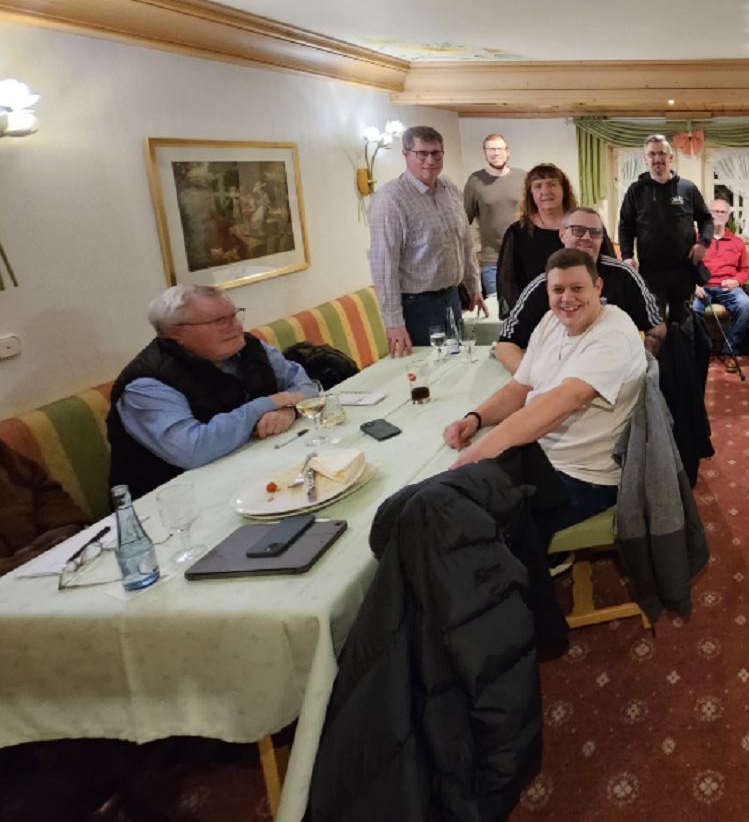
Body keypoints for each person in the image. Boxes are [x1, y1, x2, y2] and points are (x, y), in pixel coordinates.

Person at [444, 248, 646, 533]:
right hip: (539, 458)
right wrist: (475, 419)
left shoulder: (614, 333)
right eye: (558, 289)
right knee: (441, 502)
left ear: (598, 287)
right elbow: (519, 387)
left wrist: (473, 457)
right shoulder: (551, 321)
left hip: (583, 477)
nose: (567, 298)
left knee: (464, 523)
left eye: (577, 288)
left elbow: (562, 403)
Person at [107, 285, 317, 498]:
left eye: (234, 316)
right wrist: (270, 402)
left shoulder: (248, 348)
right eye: (219, 322)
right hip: (175, 501)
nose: (234, 327)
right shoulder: (147, 385)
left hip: (254, 471)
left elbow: (306, 386)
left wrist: (288, 408)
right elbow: (194, 450)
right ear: (176, 333)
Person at [496, 207, 664, 373]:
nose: (587, 237)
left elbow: (656, 326)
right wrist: (531, 381)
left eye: (595, 232)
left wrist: (640, 368)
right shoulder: (542, 284)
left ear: (598, 286)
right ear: (562, 234)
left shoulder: (624, 276)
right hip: (557, 380)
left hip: (615, 378)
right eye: (578, 230)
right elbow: (506, 343)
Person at [368, 125, 486, 357]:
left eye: (436, 153)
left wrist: (474, 286)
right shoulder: (390, 199)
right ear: (405, 154)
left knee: (459, 364)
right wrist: (393, 322)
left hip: (451, 297)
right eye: (421, 153)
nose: (429, 160)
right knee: (430, 370)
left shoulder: (450, 189)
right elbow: (384, 266)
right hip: (416, 307)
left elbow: (465, 242)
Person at [618, 135, 713, 323]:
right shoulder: (635, 191)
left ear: (671, 157)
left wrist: (703, 243)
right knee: (655, 326)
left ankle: (683, 353)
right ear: (645, 159)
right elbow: (625, 226)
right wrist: (627, 256)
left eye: (662, 153)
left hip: (683, 271)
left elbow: (706, 219)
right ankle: (658, 355)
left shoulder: (688, 188)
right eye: (651, 154)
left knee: (683, 326)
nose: (657, 158)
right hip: (650, 272)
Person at [495, 163, 583, 316]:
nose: (545, 191)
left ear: (564, 189)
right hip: (534, 316)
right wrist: (522, 315)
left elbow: (605, 267)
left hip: (579, 311)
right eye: (537, 186)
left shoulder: (583, 225)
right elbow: (507, 281)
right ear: (530, 194)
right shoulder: (518, 232)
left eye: (552, 184)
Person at [0, 440, 89, 577]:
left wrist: (61, 531)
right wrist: (20, 563)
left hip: (54, 561)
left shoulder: (5, 456)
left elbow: (45, 490)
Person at [692, 198, 749, 373]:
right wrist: (694, 285)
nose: (718, 215)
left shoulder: (737, 242)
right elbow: (686, 266)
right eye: (714, 211)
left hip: (729, 288)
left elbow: (746, 270)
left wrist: (737, 281)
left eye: (722, 212)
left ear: (728, 216)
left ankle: (730, 351)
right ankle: (704, 350)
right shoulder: (696, 239)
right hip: (703, 287)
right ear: (708, 215)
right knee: (694, 309)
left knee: (744, 305)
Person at [462, 133, 524, 298]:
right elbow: (462, 221)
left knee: (528, 312)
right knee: (499, 315)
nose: (496, 153)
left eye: (499, 149)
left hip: (523, 257)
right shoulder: (475, 180)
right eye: (491, 149)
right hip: (492, 262)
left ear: (507, 151)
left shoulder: (523, 177)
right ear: (485, 153)